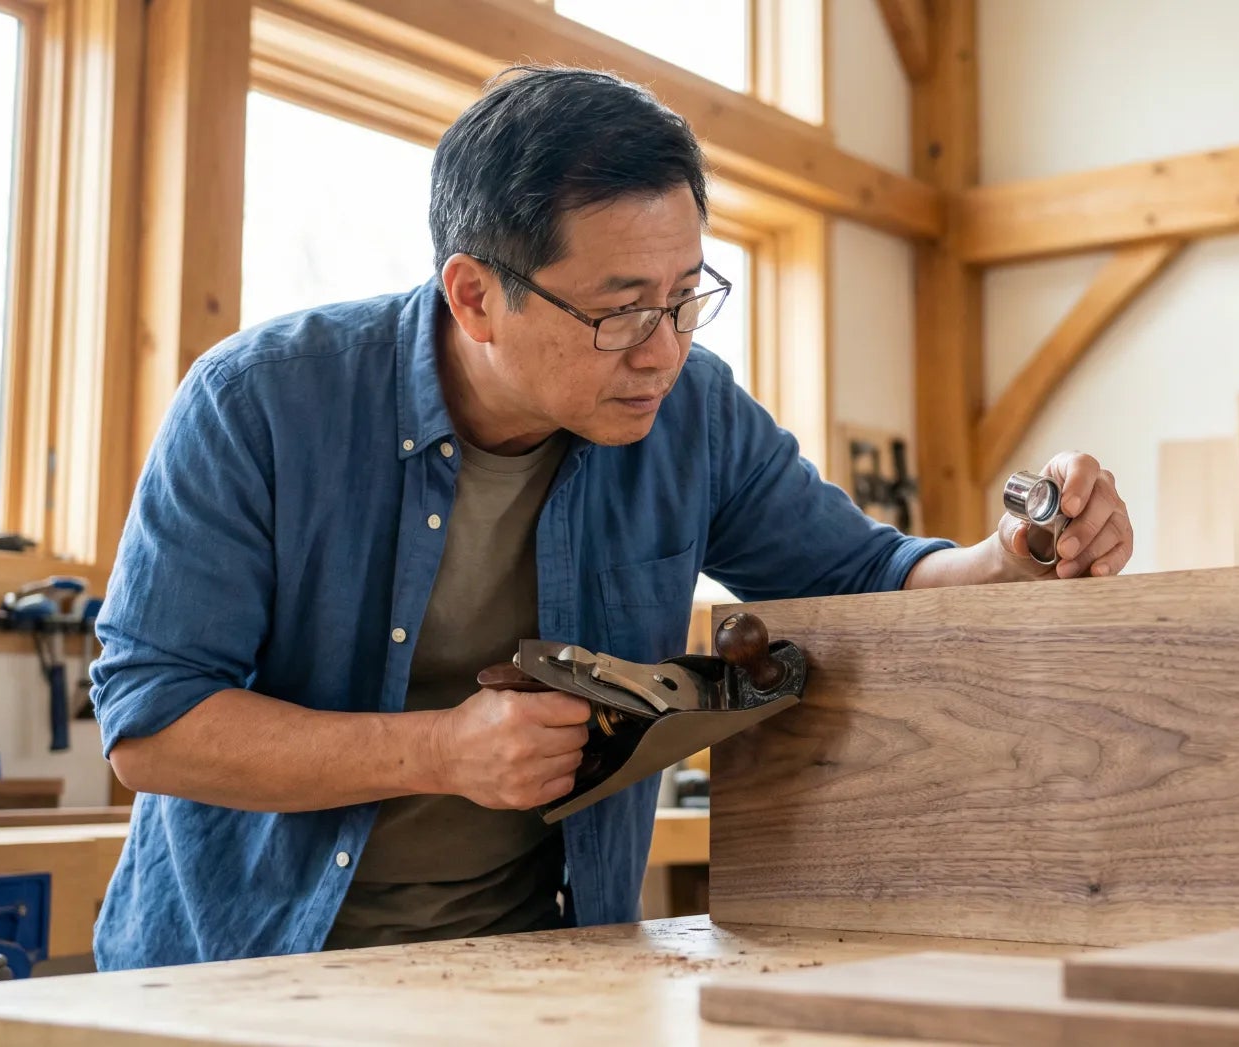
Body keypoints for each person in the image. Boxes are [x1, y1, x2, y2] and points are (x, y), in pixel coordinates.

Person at [88, 66, 1133, 971]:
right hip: (244, 974)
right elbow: (151, 724)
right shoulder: (259, 404)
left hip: (535, 968)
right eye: (620, 309)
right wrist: (441, 753)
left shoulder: (696, 414)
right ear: (474, 296)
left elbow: (867, 582)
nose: (663, 350)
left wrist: (1015, 557)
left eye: (687, 296)